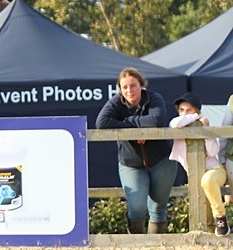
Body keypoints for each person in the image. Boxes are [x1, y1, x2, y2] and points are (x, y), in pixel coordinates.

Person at [96, 67, 177, 234]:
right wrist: (135, 132)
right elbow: (101, 122)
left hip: (161, 160)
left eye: (133, 85)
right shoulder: (115, 102)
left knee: (158, 208)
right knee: (137, 207)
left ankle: (157, 249)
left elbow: (156, 120)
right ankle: (136, 247)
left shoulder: (154, 98)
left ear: (141, 85)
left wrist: (128, 122)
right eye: (124, 87)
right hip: (131, 163)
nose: (129, 90)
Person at [169, 91, 229, 236]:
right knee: (204, 211)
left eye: (189, 110)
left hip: (215, 171)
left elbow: (213, 151)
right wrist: (196, 117)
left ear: (197, 109)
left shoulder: (203, 125)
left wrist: (204, 130)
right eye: (181, 110)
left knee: (207, 180)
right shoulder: (179, 123)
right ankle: (211, 238)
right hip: (195, 175)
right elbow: (176, 123)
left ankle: (221, 217)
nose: (184, 113)